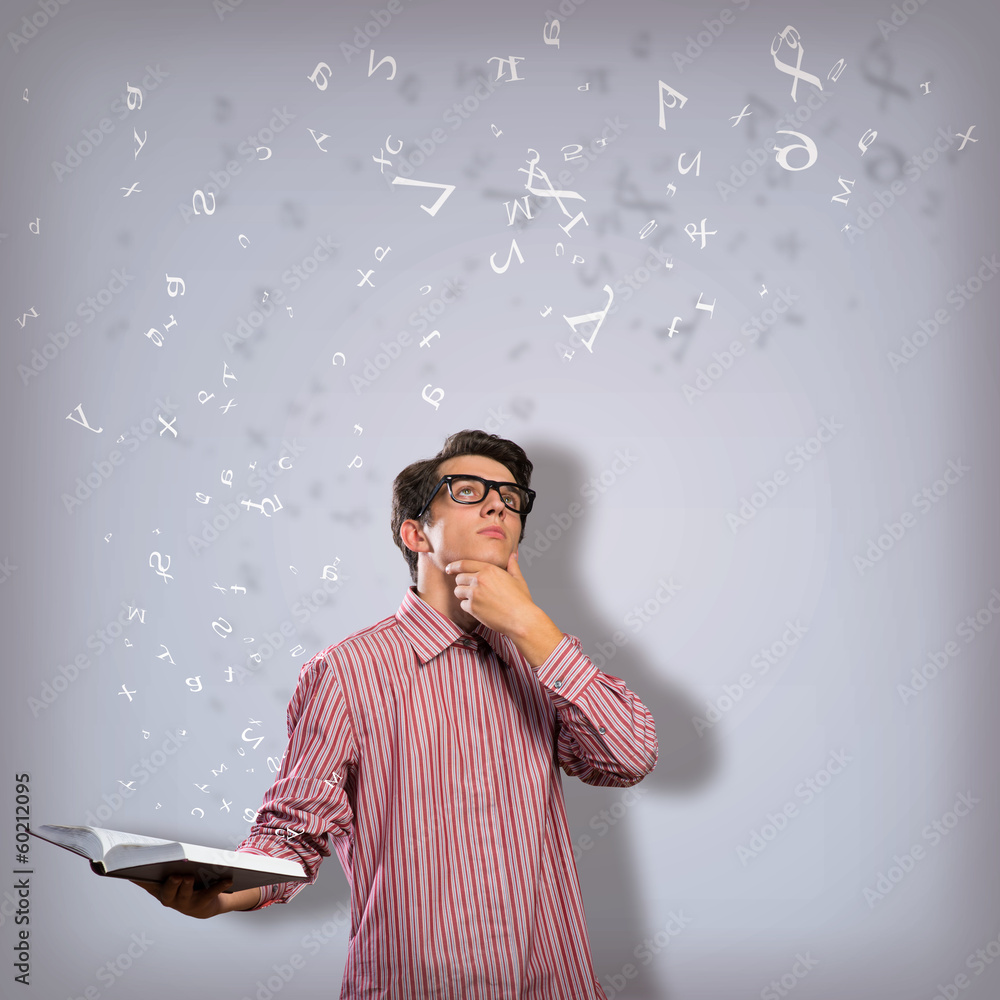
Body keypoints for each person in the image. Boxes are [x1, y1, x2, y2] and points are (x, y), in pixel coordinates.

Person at [134, 429, 658, 998]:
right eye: (467, 490)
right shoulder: (347, 671)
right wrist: (226, 891)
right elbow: (294, 830)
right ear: (416, 533)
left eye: (511, 498)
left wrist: (532, 626)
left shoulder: (544, 656)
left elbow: (629, 757)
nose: (495, 504)